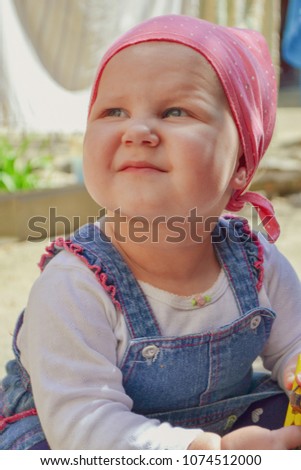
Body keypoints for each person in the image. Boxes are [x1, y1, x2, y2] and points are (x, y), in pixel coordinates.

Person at [1, 14, 301, 450]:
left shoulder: (254, 260)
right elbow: (84, 426)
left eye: (175, 111)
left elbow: (294, 349)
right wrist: (208, 453)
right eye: (113, 111)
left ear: (240, 165)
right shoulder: (74, 284)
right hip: (83, 441)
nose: (137, 131)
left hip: (221, 418)